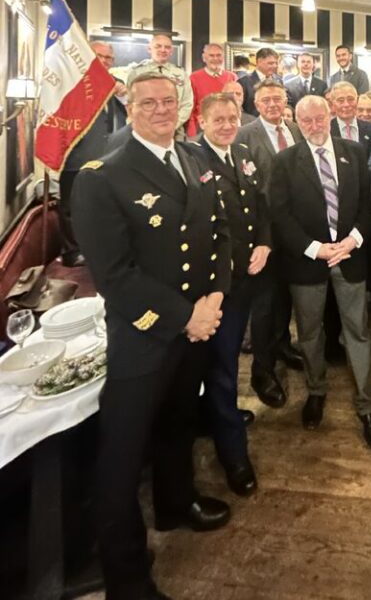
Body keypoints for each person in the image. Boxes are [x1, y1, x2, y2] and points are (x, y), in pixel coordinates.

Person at [70, 72, 231, 600]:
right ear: (129, 108)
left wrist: (215, 299)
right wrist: (186, 316)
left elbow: (220, 234)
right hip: (146, 333)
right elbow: (114, 274)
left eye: (169, 101)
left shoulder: (194, 158)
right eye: (148, 103)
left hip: (198, 325)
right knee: (121, 459)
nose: (161, 109)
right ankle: (127, 579)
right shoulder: (103, 176)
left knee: (179, 423)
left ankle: (176, 503)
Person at [269, 96, 371, 449]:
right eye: (306, 121)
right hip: (307, 262)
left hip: (350, 257)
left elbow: (367, 205)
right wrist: (315, 249)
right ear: (297, 122)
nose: (314, 125)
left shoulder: (355, 152)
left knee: (358, 332)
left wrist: (352, 241)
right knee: (309, 333)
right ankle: (316, 390)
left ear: (330, 116)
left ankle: (367, 405)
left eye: (319, 118)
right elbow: (280, 215)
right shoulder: (285, 161)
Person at [195, 93, 272, 497]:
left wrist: (265, 242)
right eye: (219, 119)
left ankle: (218, 413)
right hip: (214, 285)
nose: (227, 125)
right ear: (202, 121)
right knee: (223, 367)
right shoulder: (193, 160)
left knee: (225, 363)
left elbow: (259, 204)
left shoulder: (242, 152)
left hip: (246, 278)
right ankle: (233, 453)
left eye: (232, 118)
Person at [236, 80, 304, 393]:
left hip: (296, 230)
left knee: (286, 297)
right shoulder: (244, 135)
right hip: (264, 231)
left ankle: (283, 346)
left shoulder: (296, 130)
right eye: (266, 100)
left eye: (278, 98)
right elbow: (246, 187)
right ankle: (262, 370)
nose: (274, 104)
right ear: (256, 104)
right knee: (263, 304)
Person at [58, 40, 127, 266]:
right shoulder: (71, 83)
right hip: (76, 155)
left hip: (109, 157)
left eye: (109, 58)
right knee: (72, 206)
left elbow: (128, 110)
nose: (104, 61)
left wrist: (122, 94)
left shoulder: (115, 83)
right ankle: (72, 252)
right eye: (99, 56)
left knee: (102, 206)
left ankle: (98, 248)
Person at [115, 32, 193, 134]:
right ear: (149, 49)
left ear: (171, 51)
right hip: (144, 130)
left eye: (167, 47)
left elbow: (187, 103)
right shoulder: (137, 72)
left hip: (174, 131)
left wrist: (172, 125)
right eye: (158, 46)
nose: (163, 50)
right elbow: (131, 102)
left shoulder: (181, 74)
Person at [186, 43, 236, 137]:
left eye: (218, 55)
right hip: (202, 128)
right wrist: (192, 133)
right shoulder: (194, 78)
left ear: (223, 57)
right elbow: (190, 108)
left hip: (226, 126)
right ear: (204, 58)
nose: (215, 59)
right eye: (211, 55)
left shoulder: (232, 77)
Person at [329, 81, 371, 156]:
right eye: (341, 100)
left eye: (350, 99)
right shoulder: (326, 130)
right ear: (333, 104)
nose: (346, 104)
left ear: (357, 101)